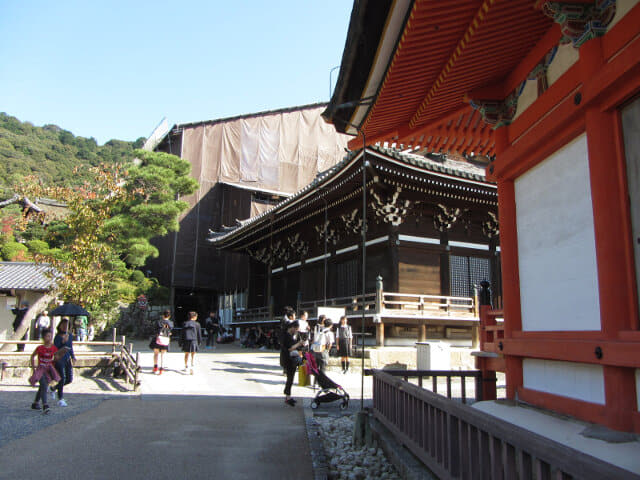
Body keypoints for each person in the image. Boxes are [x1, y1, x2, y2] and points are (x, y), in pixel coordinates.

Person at [29, 328, 61, 414]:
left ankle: (35, 403)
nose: (49, 338)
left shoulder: (54, 348)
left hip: (49, 369)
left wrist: (58, 357)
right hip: (41, 369)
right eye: (47, 336)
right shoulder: (40, 348)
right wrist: (33, 368)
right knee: (44, 385)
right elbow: (32, 356)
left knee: (43, 386)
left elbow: (56, 358)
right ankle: (45, 405)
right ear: (43, 337)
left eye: (50, 336)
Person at [280, 320, 303, 406]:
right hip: (288, 359)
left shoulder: (288, 335)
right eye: (296, 329)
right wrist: (299, 344)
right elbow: (290, 348)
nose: (296, 330)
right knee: (290, 378)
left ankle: (288, 396)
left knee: (290, 378)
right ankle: (287, 396)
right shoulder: (287, 336)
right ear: (292, 327)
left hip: (287, 358)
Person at [53, 319, 76, 407]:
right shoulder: (58, 336)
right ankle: (60, 398)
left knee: (69, 379)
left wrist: (73, 356)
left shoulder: (69, 335)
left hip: (67, 359)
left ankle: (54, 388)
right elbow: (55, 348)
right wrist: (62, 342)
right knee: (62, 378)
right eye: (63, 325)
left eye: (66, 325)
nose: (64, 327)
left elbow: (70, 347)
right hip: (59, 359)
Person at [149, 310, 173, 375]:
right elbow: (170, 331)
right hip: (165, 339)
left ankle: (155, 367)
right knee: (163, 354)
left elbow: (155, 330)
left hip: (158, 339)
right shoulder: (171, 323)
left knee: (156, 353)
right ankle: (161, 369)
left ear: (163, 315)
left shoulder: (158, 322)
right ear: (169, 316)